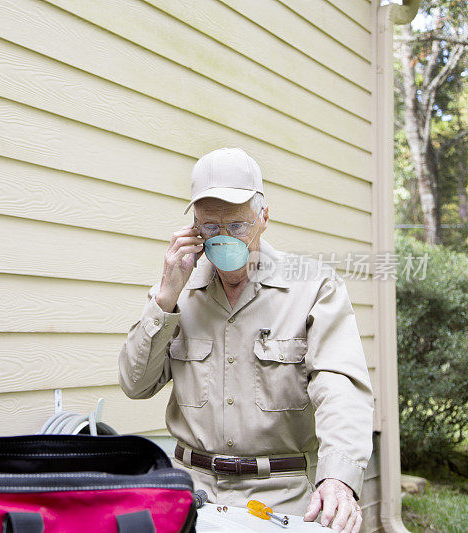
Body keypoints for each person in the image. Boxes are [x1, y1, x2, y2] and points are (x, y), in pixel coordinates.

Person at [118, 147, 373, 533]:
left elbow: (339, 385)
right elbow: (135, 384)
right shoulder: (177, 293)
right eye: (210, 227)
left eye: (237, 225)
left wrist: (338, 476)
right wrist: (165, 298)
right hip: (192, 496)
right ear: (194, 229)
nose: (223, 238)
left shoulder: (313, 285)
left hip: (281, 499)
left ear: (263, 218)